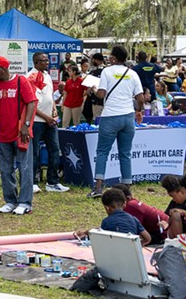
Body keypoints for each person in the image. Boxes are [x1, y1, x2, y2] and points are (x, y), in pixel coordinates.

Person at [88, 45, 145, 198]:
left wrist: (93, 89)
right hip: (127, 117)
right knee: (125, 154)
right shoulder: (132, 74)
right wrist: (139, 111)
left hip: (110, 117)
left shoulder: (107, 71)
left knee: (102, 152)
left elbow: (101, 95)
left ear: (113, 58)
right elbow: (140, 98)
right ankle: (127, 190)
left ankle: (98, 187)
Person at [0, 55, 36, 215]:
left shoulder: (21, 81)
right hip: (4, 134)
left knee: (25, 168)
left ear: (3, 69)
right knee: (6, 169)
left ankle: (25, 202)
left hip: (20, 133)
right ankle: (10, 201)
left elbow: (31, 102)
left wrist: (26, 125)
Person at [27, 52, 67, 193]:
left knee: (55, 149)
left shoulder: (48, 76)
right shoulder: (30, 78)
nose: (47, 63)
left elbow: (49, 96)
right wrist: (46, 117)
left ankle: (52, 182)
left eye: (47, 60)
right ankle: (32, 182)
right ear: (36, 62)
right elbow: (30, 103)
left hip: (50, 120)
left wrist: (54, 111)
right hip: (37, 120)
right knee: (34, 152)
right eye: (44, 61)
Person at [73, 187, 149, 244]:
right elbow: (147, 239)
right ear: (125, 204)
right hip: (133, 255)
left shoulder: (106, 221)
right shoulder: (134, 219)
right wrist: (138, 246)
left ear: (107, 208)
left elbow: (101, 237)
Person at [81, 51, 106, 124]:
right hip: (101, 99)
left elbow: (90, 86)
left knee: (97, 119)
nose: (92, 61)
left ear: (97, 60)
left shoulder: (97, 71)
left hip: (97, 99)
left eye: (93, 59)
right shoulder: (105, 70)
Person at [59, 61, 86, 128]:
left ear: (74, 72)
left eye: (70, 71)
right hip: (67, 104)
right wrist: (63, 104)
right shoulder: (68, 82)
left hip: (77, 105)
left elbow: (85, 93)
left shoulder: (81, 81)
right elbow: (65, 93)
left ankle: (76, 136)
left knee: (76, 122)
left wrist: (83, 104)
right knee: (65, 121)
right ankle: (65, 135)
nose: (69, 73)